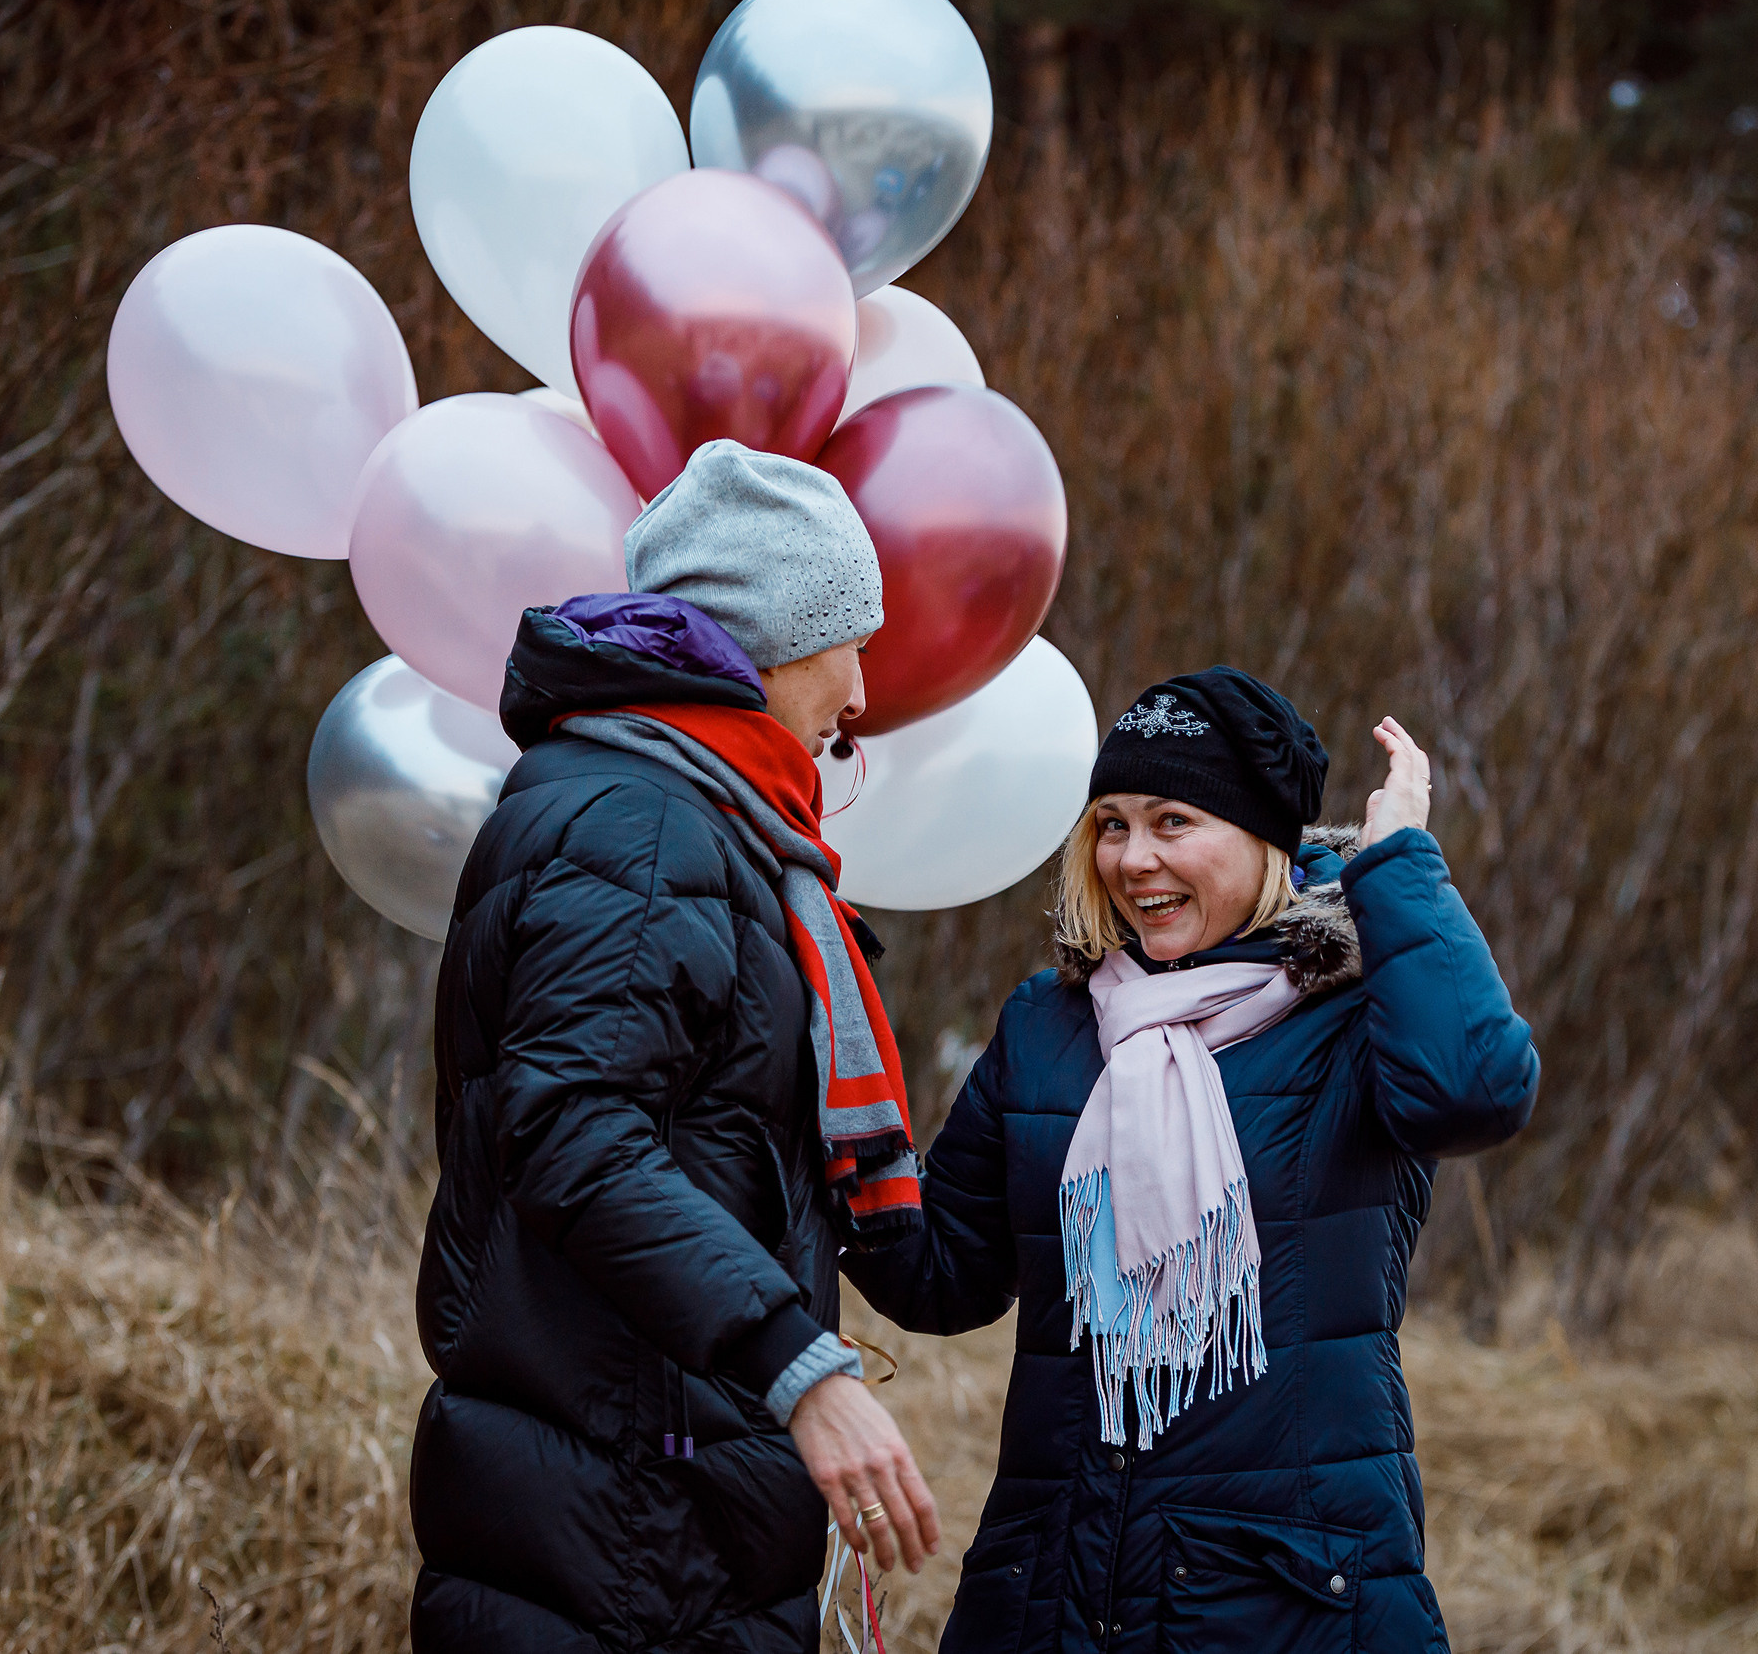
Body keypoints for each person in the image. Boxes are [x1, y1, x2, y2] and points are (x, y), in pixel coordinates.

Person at [843, 667, 1539, 1653]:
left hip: (1281, 1600)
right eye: (1112, 822)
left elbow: (1475, 1086)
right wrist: (825, 1127)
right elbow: (942, 1276)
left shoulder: (1351, 1018)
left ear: (1263, 840)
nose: (1133, 857)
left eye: (1173, 820)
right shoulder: (1049, 1022)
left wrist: (1398, 863)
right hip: (1050, 1592)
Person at [409, 441, 942, 1652]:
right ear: (771, 640)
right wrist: (798, 1364)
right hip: (626, 1522)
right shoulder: (645, 829)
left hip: (651, 1495)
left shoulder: (674, 809)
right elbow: (572, 1131)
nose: (859, 693)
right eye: (848, 638)